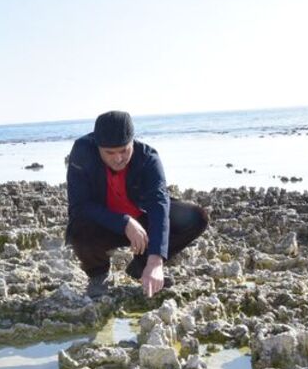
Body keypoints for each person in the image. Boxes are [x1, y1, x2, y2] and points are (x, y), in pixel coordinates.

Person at [66, 111, 208, 297]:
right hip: (103, 224)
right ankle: (98, 275)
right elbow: (79, 206)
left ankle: (141, 267)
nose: (118, 159)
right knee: (78, 227)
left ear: (132, 141)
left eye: (124, 150)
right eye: (110, 153)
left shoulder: (148, 158)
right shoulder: (82, 152)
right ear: (97, 146)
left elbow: (159, 207)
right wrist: (123, 222)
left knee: (197, 217)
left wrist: (155, 261)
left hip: (142, 223)